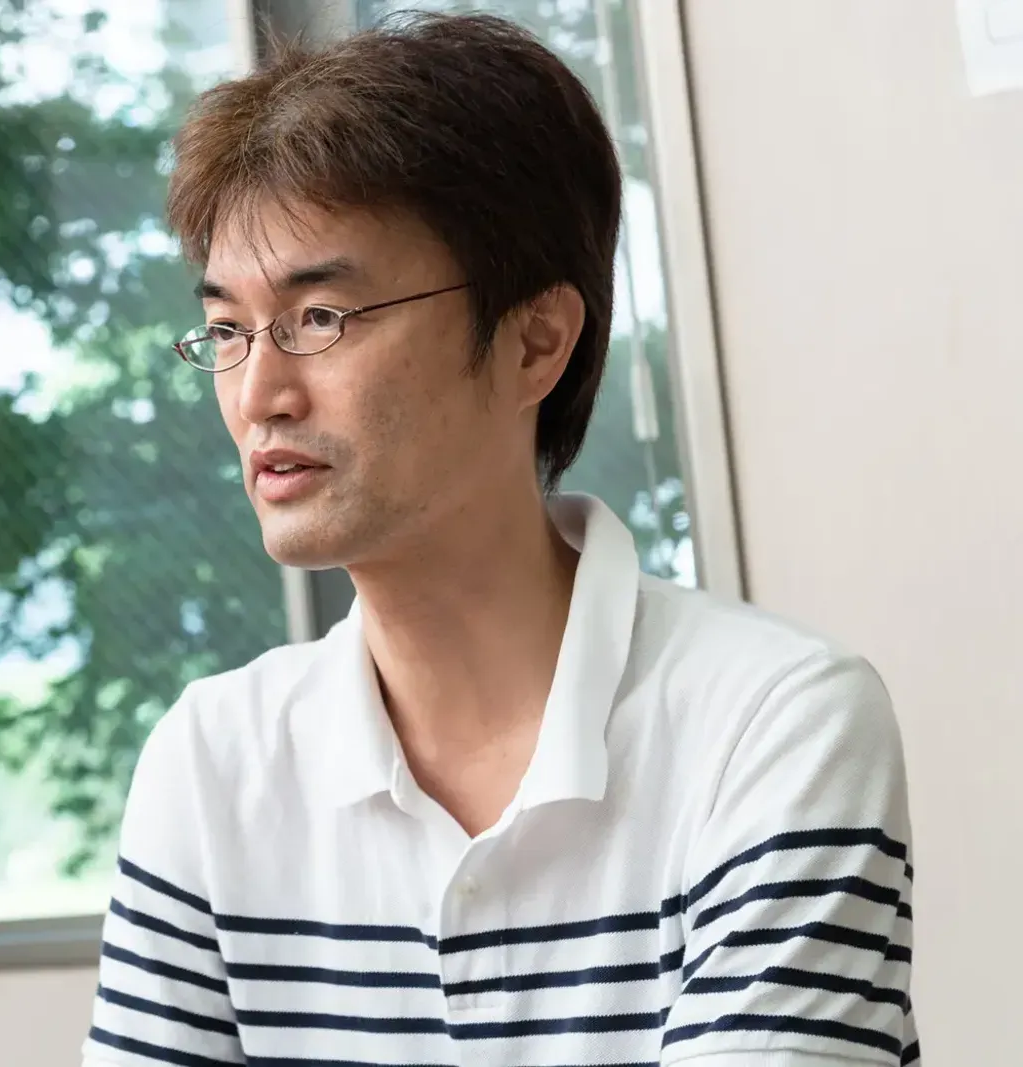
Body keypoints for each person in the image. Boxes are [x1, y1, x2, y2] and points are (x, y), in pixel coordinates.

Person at [83, 12, 917, 1067]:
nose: (259, 395)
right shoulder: (213, 764)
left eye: (321, 316)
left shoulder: (773, 725)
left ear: (535, 340)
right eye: (227, 329)